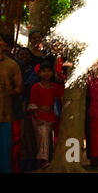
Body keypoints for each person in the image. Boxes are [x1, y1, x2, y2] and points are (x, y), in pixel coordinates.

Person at [27, 60, 62, 169]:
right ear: (39, 73)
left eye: (49, 71)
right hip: (39, 116)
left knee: (56, 137)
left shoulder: (56, 86)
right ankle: (43, 161)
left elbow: (61, 99)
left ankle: (57, 159)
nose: (46, 73)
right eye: (44, 71)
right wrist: (37, 119)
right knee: (43, 135)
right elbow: (32, 105)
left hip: (53, 116)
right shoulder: (36, 87)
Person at [15, 47, 39, 172]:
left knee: (29, 134)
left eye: (26, 54)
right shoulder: (15, 69)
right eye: (21, 54)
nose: (24, 57)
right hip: (16, 106)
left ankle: (32, 161)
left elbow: (26, 86)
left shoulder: (33, 72)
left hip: (29, 105)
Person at [0, 45, 22, 173]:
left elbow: (19, 88)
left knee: (5, 147)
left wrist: (7, 91)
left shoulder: (11, 65)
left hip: (5, 113)